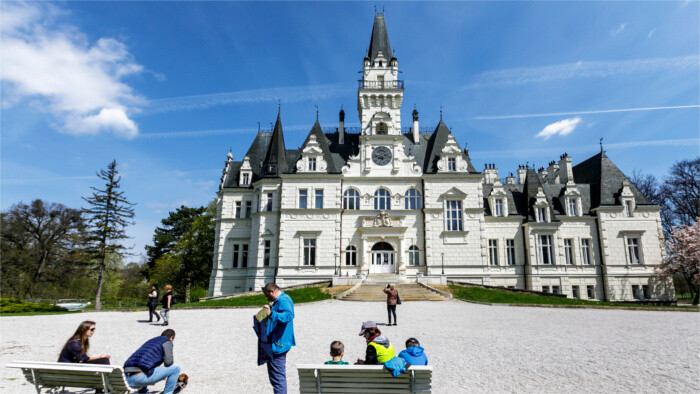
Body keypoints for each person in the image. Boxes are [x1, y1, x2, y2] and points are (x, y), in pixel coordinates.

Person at [261, 283, 296, 394]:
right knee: (276, 377)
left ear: (272, 291)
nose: (267, 298)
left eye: (267, 295)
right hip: (277, 342)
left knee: (278, 378)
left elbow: (289, 316)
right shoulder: (280, 300)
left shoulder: (284, 300)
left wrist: (271, 314)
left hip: (278, 344)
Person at [123, 329, 183, 394]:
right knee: (176, 369)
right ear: (171, 337)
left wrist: (161, 373)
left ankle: (143, 392)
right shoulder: (167, 341)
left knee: (144, 368)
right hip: (138, 378)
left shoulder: (151, 341)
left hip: (125, 378)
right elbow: (168, 363)